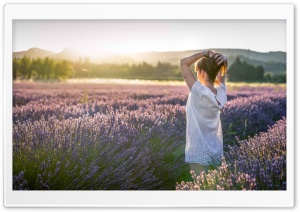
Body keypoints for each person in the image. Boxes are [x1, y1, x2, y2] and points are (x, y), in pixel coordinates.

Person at [180, 50, 228, 175]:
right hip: (216, 149)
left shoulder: (198, 91)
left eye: (197, 71)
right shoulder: (221, 94)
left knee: (199, 188)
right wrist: (223, 61)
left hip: (198, 149)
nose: (196, 74)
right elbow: (222, 78)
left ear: (201, 72)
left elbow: (183, 63)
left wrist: (204, 53)